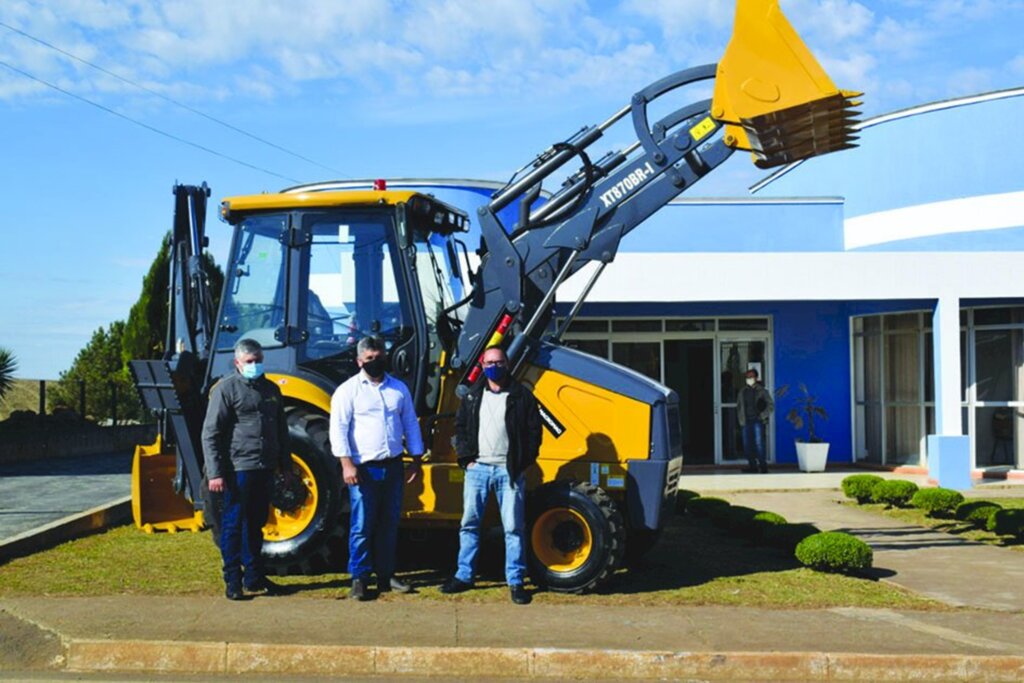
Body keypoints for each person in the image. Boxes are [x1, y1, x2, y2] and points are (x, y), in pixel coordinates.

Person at [441, 346, 542, 605]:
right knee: (469, 525)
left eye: (498, 362)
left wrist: (522, 463)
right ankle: (464, 575)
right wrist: (467, 459)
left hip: (509, 472)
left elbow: (534, 434)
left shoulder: (522, 397)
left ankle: (516, 581)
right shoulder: (473, 396)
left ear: (507, 364)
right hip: (478, 470)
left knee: (513, 528)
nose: (493, 367)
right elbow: (460, 428)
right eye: (489, 363)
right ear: (482, 365)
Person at [330, 336, 423, 601]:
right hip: (362, 469)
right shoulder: (348, 391)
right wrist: (346, 464)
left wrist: (416, 458)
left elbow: (410, 423)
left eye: (379, 356)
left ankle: (385, 575)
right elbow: (338, 429)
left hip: (393, 466)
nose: (375, 361)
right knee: (361, 525)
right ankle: (359, 578)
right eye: (369, 358)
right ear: (359, 361)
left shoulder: (398, 389)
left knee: (389, 522)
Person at [202, 338, 290, 600]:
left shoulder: (271, 389)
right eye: (250, 362)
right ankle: (232, 580)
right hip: (238, 467)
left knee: (256, 523)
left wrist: (285, 466)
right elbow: (211, 433)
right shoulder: (226, 390)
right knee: (233, 523)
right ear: (237, 363)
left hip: (265, 466)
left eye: (258, 361)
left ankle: (255, 576)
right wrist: (216, 472)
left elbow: (281, 431)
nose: (255, 365)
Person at [737, 368, 773, 473]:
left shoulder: (762, 391)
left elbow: (770, 405)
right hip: (746, 421)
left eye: (751, 377)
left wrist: (762, 416)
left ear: (756, 378)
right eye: (747, 377)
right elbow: (739, 406)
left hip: (757, 421)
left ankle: (763, 467)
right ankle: (752, 466)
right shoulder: (742, 391)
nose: (749, 379)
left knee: (759, 444)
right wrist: (740, 419)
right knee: (747, 445)